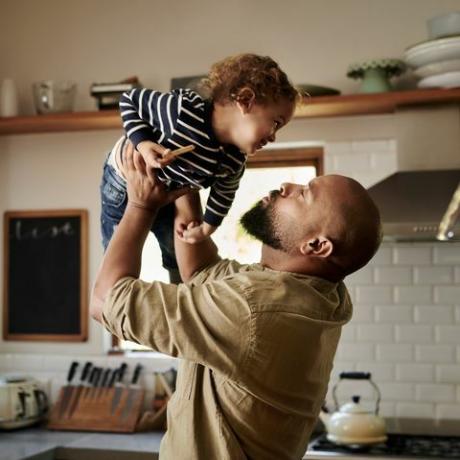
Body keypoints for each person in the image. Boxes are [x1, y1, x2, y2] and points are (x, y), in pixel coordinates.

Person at [91, 144, 382, 460]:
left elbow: (105, 300)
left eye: (303, 194)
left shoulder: (257, 309)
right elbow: (201, 271)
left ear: (315, 245)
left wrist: (140, 205)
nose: (287, 186)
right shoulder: (315, 293)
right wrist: (186, 185)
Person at [100, 53, 299, 282]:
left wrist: (207, 227)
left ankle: (179, 291)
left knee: (174, 246)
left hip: (166, 192)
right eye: (275, 123)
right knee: (117, 245)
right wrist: (143, 144)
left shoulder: (234, 161)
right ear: (245, 100)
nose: (274, 137)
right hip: (122, 181)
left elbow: (224, 194)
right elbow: (130, 100)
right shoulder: (184, 112)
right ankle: (112, 290)